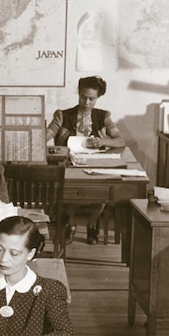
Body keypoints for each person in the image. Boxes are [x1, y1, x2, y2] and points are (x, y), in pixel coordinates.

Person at [47, 75, 125, 244]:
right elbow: (47, 135)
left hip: (95, 164)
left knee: (102, 191)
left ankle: (92, 223)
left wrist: (103, 141)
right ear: (79, 93)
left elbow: (120, 141)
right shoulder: (62, 115)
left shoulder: (103, 116)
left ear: (98, 98)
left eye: (92, 99)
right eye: (83, 97)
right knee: (74, 191)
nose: (87, 103)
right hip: (69, 164)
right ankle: (71, 223)